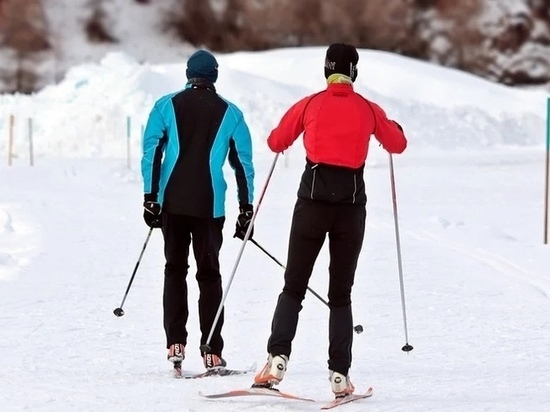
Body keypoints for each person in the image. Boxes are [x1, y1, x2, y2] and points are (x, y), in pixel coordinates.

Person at [254, 43, 407, 397]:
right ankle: (339, 375)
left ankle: (277, 359)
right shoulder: (368, 109)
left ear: (326, 70)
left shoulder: (310, 104)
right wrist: (393, 127)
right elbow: (397, 144)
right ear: (353, 72)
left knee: (294, 284)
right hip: (350, 210)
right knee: (340, 294)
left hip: (311, 206)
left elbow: (276, 142)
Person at [140, 49, 255, 372]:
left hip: (173, 203)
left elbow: (152, 152)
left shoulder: (165, 105)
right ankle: (212, 351)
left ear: (189, 74)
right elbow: (243, 165)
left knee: (174, 270)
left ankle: (175, 343)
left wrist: (150, 197)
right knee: (209, 275)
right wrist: (246, 210)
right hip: (210, 206)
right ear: (214, 76)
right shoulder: (231, 113)